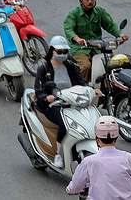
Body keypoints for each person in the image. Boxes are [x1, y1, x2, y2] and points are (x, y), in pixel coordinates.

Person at [34, 36, 88, 168]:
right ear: (52, 51)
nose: (63, 55)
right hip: (53, 105)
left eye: (65, 52)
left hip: (72, 102)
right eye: (60, 52)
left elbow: (81, 82)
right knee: (65, 124)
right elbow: (38, 90)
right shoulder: (44, 68)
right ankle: (58, 154)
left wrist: (92, 90)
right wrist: (46, 97)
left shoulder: (70, 66)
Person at [66, 116, 131, 199]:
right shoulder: (129, 159)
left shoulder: (88, 162)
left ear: (97, 139)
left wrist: (69, 189)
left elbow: (75, 186)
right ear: (116, 138)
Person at [63, 0, 127, 80]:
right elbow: (68, 29)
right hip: (80, 48)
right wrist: (76, 38)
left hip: (98, 46)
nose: (90, 1)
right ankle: (83, 87)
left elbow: (110, 25)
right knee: (86, 66)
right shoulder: (74, 14)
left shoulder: (100, 11)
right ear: (81, 0)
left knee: (112, 63)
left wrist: (120, 34)